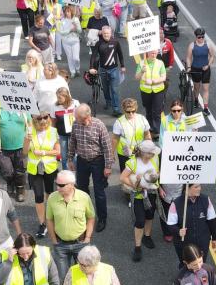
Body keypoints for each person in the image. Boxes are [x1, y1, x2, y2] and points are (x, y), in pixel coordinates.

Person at [72, 104, 116, 232]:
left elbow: (107, 148)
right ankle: (86, 215)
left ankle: (102, 218)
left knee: (99, 192)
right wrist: (69, 158)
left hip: (97, 161)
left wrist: (108, 166)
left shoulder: (99, 125)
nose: (75, 119)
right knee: (82, 190)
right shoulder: (75, 124)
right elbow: (73, 142)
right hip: (82, 161)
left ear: (86, 117)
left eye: (77, 117)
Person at [46, 168, 95, 279]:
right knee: (64, 278)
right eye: (56, 184)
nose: (58, 188)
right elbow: (49, 219)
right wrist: (54, 240)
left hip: (81, 243)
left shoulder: (84, 197)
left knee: (83, 277)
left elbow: (91, 217)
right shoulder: (52, 198)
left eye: (61, 185)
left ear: (72, 185)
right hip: (60, 245)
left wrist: (87, 237)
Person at [120, 140, 161, 262]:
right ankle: (137, 247)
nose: (153, 154)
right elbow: (122, 177)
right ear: (143, 153)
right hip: (138, 195)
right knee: (139, 221)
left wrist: (154, 178)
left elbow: (157, 172)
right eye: (150, 153)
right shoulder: (133, 162)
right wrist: (135, 185)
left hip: (151, 193)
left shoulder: (155, 159)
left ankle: (147, 236)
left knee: (150, 215)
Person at [23, 112, 60, 239]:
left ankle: (50, 218)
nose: (43, 122)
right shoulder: (29, 131)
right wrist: (27, 140)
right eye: (40, 120)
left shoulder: (53, 131)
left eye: (46, 118)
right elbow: (24, 151)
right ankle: (42, 223)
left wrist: (43, 152)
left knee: (50, 194)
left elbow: (57, 151)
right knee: (39, 196)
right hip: (34, 169)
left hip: (49, 168)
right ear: (35, 121)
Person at [167, 183, 216, 265]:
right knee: (186, 265)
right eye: (196, 187)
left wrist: (214, 238)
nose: (199, 188)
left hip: (202, 242)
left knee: (201, 264)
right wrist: (178, 231)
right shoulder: (176, 203)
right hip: (184, 244)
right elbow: (171, 224)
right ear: (187, 188)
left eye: (200, 186)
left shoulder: (206, 200)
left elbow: (212, 220)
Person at [88, 25, 125, 116]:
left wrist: (122, 66)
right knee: (105, 89)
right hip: (103, 70)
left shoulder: (115, 42)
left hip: (114, 69)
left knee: (114, 89)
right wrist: (91, 67)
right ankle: (108, 102)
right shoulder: (98, 43)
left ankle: (116, 109)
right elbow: (93, 56)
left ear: (111, 33)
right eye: (104, 33)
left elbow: (120, 54)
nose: (106, 35)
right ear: (102, 34)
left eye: (108, 33)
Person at [111, 98, 152, 174]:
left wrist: (149, 147)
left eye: (133, 111)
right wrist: (112, 153)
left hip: (139, 152)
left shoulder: (142, 119)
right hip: (125, 154)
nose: (131, 114)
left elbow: (147, 134)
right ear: (124, 110)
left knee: (139, 174)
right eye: (128, 112)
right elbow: (115, 139)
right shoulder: (119, 122)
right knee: (126, 176)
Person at [0, 108, 28, 202]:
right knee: (7, 170)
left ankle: (20, 189)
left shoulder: (23, 107)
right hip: (3, 148)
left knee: (20, 170)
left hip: (21, 147)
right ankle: (10, 182)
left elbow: (30, 124)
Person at [136, 49, 167, 136]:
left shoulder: (160, 63)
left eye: (155, 53)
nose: (154, 55)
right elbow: (137, 77)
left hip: (158, 91)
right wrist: (142, 71)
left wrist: (154, 81)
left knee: (157, 111)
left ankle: (157, 131)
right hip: (146, 91)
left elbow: (163, 77)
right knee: (148, 111)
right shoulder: (142, 63)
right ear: (148, 53)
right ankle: (149, 129)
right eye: (152, 53)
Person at [185, 28, 215, 115]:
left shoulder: (208, 44)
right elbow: (188, 58)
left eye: (202, 37)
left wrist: (208, 65)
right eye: (199, 37)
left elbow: (212, 56)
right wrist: (189, 67)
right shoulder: (192, 45)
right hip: (195, 69)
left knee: (206, 89)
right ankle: (196, 99)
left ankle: (205, 108)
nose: (201, 38)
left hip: (206, 70)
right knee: (196, 87)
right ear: (196, 37)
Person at [52, 87, 78, 170]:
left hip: (73, 134)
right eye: (57, 97)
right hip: (61, 134)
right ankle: (65, 173)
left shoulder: (75, 104)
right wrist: (53, 134)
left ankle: (76, 174)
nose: (58, 99)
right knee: (63, 156)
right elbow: (53, 121)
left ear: (66, 97)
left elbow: (80, 117)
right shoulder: (54, 106)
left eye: (60, 97)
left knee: (74, 155)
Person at [57, 4, 83, 77]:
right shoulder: (62, 21)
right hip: (66, 42)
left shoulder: (76, 19)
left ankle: (77, 68)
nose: (67, 13)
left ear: (71, 12)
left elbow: (80, 31)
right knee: (70, 57)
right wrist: (70, 30)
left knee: (76, 58)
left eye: (68, 11)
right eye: (66, 11)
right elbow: (61, 32)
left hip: (75, 41)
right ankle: (72, 71)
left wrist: (76, 26)